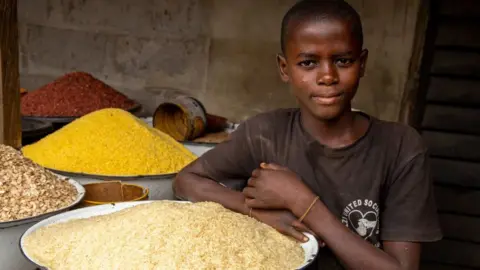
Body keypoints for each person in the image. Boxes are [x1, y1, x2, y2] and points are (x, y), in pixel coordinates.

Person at [173, 0, 442, 269]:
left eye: (343, 60)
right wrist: (253, 210)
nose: (327, 76)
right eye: (308, 62)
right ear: (284, 68)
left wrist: (303, 202)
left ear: (362, 64)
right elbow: (186, 180)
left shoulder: (401, 148)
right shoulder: (265, 133)